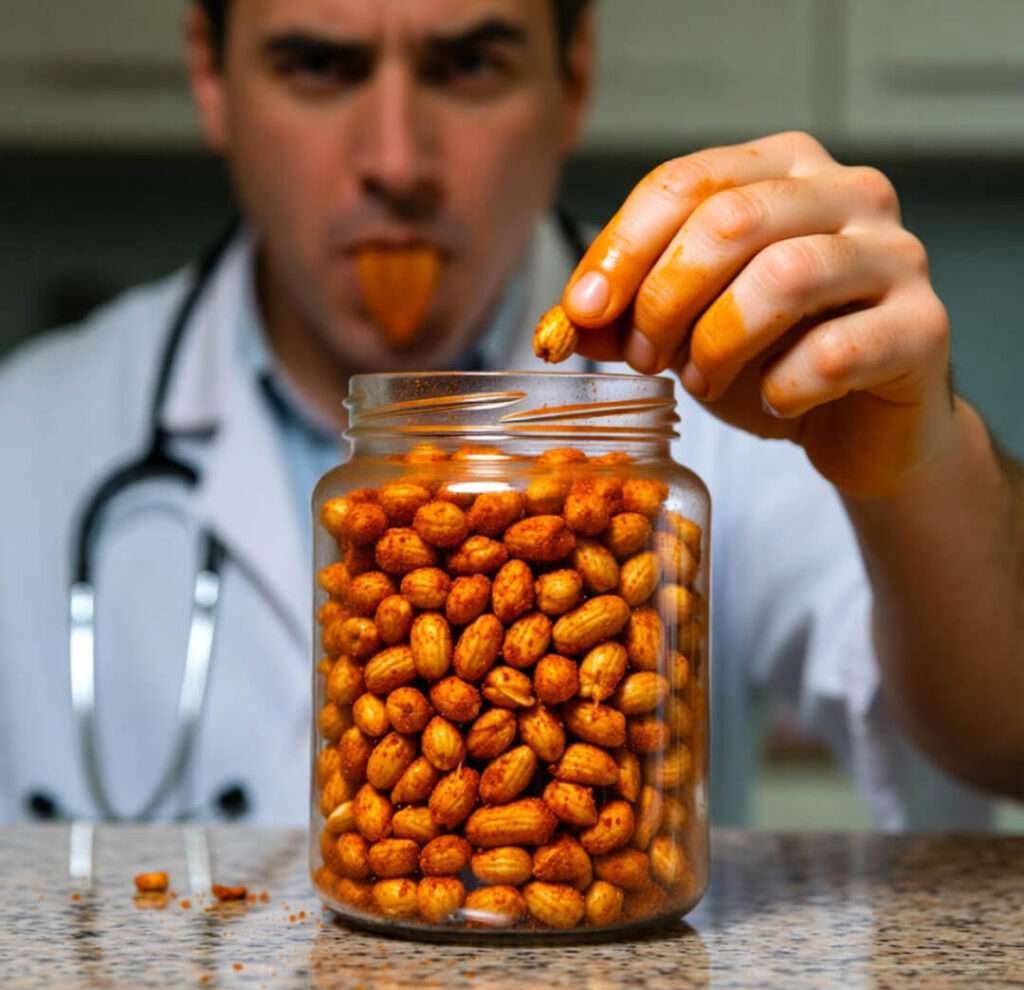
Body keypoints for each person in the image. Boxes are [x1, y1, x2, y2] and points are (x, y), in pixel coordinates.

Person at [0, 0, 1020, 826]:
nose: (396, 160)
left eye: (469, 62)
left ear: (573, 76)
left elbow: (1002, 738)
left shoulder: (718, 404)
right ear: (212, 79)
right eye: (317, 64)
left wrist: (923, 466)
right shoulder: (29, 434)